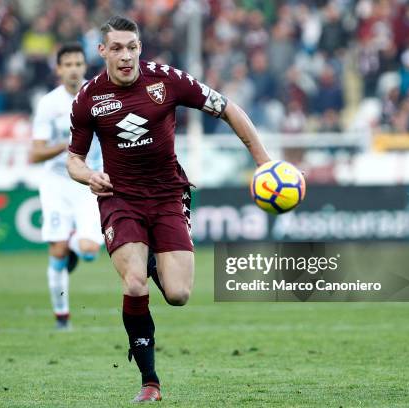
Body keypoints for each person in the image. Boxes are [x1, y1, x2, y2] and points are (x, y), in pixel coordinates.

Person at [67, 16, 271, 402]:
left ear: (140, 47)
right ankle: (150, 381)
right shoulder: (88, 98)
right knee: (133, 283)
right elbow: (73, 159)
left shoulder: (169, 80)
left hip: (167, 196)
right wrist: (87, 176)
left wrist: (264, 162)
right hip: (120, 198)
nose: (126, 56)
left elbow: (228, 108)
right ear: (102, 51)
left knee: (178, 295)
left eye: (132, 47)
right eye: (117, 48)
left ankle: (151, 261)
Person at [30, 43, 103, 331]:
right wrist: (68, 143)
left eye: (78, 63)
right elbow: (35, 153)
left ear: (85, 67)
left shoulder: (98, 96)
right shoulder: (49, 104)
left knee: (88, 251)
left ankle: (71, 239)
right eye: (67, 64)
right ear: (59, 69)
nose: (73, 69)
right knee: (57, 251)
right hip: (57, 182)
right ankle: (62, 317)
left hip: (89, 180)